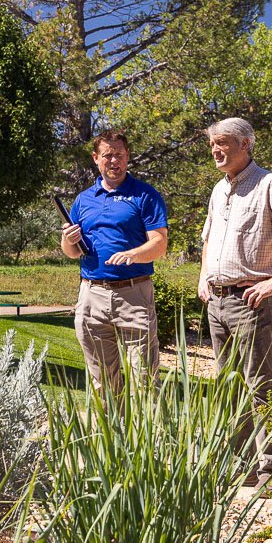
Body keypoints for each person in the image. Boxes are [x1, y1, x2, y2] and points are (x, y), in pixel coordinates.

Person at [196, 116, 272, 481]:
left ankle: (270, 466)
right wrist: (203, 277)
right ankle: (241, 464)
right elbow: (207, 240)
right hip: (215, 302)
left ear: (246, 144)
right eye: (212, 144)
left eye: (223, 143)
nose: (216, 150)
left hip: (249, 303)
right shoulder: (220, 190)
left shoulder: (271, 185)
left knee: (259, 385)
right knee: (227, 386)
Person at [60, 130, 169, 398]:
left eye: (119, 155)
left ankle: (145, 439)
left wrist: (134, 254)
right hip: (92, 295)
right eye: (107, 155)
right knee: (102, 383)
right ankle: (108, 437)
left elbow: (159, 243)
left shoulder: (145, 195)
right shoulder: (84, 200)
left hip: (134, 294)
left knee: (143, 380)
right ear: (96, 159)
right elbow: (72, 253)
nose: (113, 161)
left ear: (127, 156)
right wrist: (67, 239)